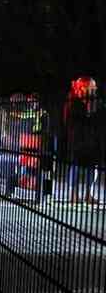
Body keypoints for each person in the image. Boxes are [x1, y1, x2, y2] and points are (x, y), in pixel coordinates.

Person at [63, 76, 100, 204]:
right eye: (92, 86)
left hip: (90, 139)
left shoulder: (93, 101)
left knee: (93, 166)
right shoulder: (74, 101)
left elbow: (96, 120)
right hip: (78, 139)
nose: (95, 89)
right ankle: (73, 195)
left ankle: (88, 195)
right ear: (84, 88)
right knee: (76, 166)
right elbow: (73, 121)